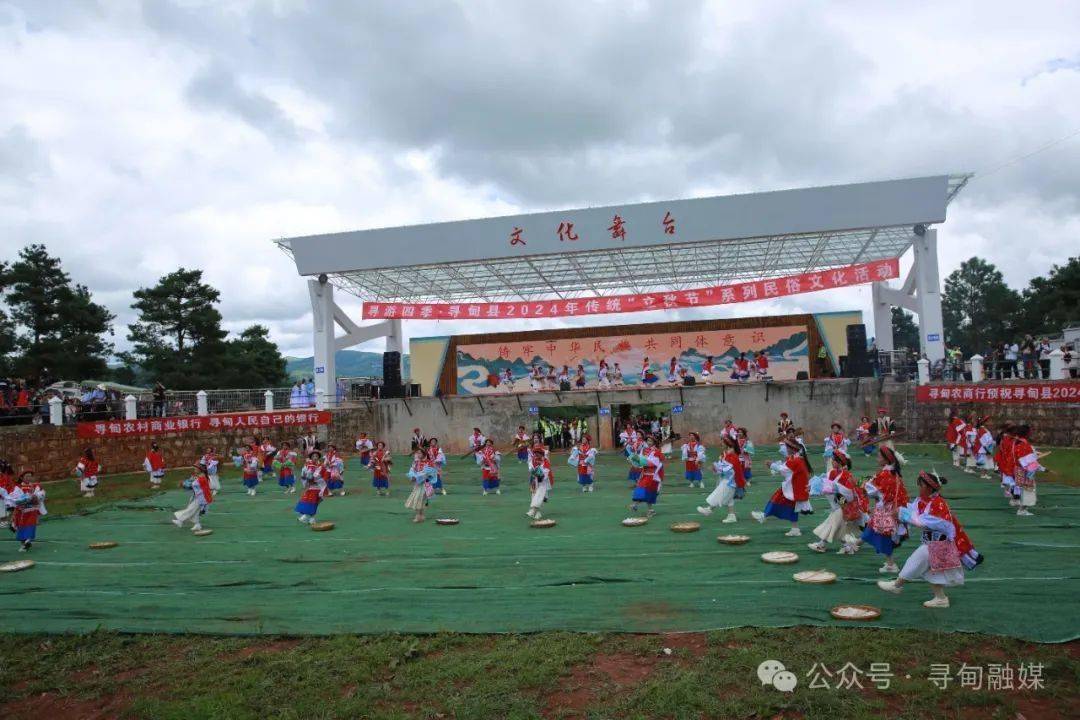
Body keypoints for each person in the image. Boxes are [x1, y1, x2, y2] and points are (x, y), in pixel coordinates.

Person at [878, 471, 983, 608]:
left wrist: (902, 513)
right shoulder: (923, 500)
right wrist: (900, 509)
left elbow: (921, 521)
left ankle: (897, 585)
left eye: (921, 485)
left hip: (940, 545)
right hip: (934, 544)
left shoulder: (938, 505)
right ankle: (941, 598)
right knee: (933, 573)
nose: (919, 488)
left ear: (929, 487)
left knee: (915, 561)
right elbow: (913, 511)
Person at [860, 446, 909, 574]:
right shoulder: (893, 473)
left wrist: (864, 485)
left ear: (886, 459)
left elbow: (875, 491)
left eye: (879, 456)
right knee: (871, 532)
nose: (877, 458)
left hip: (885, 512)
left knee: (883, 537)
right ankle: (855, 543)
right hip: (889, 510)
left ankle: (891, 564)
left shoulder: (885, 474)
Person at [752, 436, 814, 536]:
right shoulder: (796, 458)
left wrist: (771, 464)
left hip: (793, 488)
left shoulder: (796, 460)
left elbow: (783, 469)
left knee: (776, 499)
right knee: (793, 507)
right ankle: (794, 529)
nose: (785, 449)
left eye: (787, 447)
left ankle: (764, 515)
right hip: (794, 487)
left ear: (792, 448)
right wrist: (774, 465)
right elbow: (786, 468)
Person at [808, 451, 862, 554]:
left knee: (831, 524)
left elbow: (849, 494)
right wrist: (815, 486)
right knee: (838, 529)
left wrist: (836, 489)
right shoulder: (833, 473)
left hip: (842, 505)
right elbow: (825, 483)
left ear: (840, 462)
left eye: (834, 459)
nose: (831, 461)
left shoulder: (846, 475)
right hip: (837, 505)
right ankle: (847, 547)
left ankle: (821, 545)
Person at [697, 435, 745, 523]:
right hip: (728, 480)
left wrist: (716, 468)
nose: (721, 443)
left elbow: (729, 469)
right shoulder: (726, 454)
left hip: (731, 481)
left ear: (728, 443)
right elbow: (720, 467)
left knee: (718, 494)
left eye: (723, 442)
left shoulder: (732, 456)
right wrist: (709, 467)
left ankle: (709, 509)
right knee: (729, 499)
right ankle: (731, 515)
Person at [1012, 425, 1046, 516]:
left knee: (1025, 489)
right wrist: (1040, 467)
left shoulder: (1017, 442)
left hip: (1020, 468)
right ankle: (1022, 509)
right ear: (1026, 433)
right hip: (1026, 470)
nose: (1031, 433)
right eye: (1030, 432)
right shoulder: (1024, 444)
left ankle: (1022, 508)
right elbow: (1028, 460)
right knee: (1028, 489)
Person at [11, 470, 46, 552]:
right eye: (27, 476)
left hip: (32, 510)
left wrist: (37, 496)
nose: (29, 478)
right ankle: (24, 543)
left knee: (31, 525)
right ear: (22, 478)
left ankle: (28, 541)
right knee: (21, 526)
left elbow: (42, 494)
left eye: (30, 476)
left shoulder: (35, 486)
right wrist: (24, 498)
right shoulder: (18, 487)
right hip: (21, 512)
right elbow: (15, 498)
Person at [629, 434, 664, 517]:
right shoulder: (644, 450)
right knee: (641, 490)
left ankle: (648, 509)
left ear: (654, 442)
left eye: (651, 441)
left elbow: (654, 463)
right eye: (648, 440)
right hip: (644, 474)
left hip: (653, 476)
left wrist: (641, 460)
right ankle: (636, 505)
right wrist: (635, 460)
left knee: (648, 493)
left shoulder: (656, 452)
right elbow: (640, 462)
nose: (649, 442)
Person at [172, 464, 213, 533]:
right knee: (195, 512)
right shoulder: (201, 477)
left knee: (190, 509)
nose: (194, 469)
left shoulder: (202, 478)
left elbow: (192, 485)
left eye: (196, 468)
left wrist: (183, 484)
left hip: (201, 498)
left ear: (200, 470)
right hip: (200, 497)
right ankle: (197, 525)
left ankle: (180, 520)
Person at [295, 452, 328, 524]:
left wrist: (319, 481)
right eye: (313, 456)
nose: (315, 457)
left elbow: (325, 476)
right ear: (311, 458)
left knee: (314, 502)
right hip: (311, 487)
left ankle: (307, 517)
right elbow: (303, 476)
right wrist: (306, 478)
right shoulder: (307, 466)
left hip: (318, 487)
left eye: (316, 456)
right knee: (308, 502)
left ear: (318, 457)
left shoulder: (321, 466)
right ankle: (309, 518)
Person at [405, 450, 437, 522]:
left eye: (419, 453)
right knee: (419, 499)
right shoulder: (416, 462)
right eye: (417, 453)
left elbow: (432, 472)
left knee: (419, 499)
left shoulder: (429, 462)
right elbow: (412, 471)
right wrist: (412, 476)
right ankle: (421, 515)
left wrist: (423, 476)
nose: (418, 454)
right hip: (418, 484)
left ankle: (418, 516)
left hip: (425, 484)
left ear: (424, 454)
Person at [526, 443, 553, 520]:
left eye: (538, 453)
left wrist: (541, 474)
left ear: (541, 453)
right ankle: (536, 511)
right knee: (534, 495)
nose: (536, 454)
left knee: (539, 495)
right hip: (534, 481)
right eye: (535, 453)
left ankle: (534, 511)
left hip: (542, 482)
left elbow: (547, 471)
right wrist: (532, 471)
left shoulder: (545, 461)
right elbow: (530, 468)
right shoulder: (532, 460)